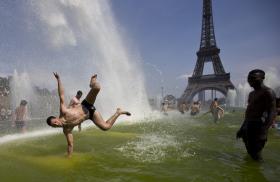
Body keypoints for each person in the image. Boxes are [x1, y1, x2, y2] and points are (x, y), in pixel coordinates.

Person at [46, 73, 131, 158]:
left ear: (56, 118)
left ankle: (92, 81)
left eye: (55, 122)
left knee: (97, 87)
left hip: (86, 105)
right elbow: (70, 144)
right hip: (91, 115)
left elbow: (61, 95)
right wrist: (69, 157)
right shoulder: (67, 130)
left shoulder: (63, 112)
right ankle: (118, 112)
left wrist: (58, 79)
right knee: (106, 127)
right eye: (54, 126)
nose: (56, 125)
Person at [236, 69, 276, 161]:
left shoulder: (268, 92)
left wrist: (264, 131)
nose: (250, 80)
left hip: (259, 125)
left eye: (253, 78)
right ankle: (249, 172)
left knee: (256, 154)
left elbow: (272, 112)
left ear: (262, 78)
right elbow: (249, 112)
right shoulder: (251, 94)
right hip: (248, 125)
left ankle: (258, 170)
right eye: (249, 78)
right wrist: (242, 127)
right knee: (250, 151)